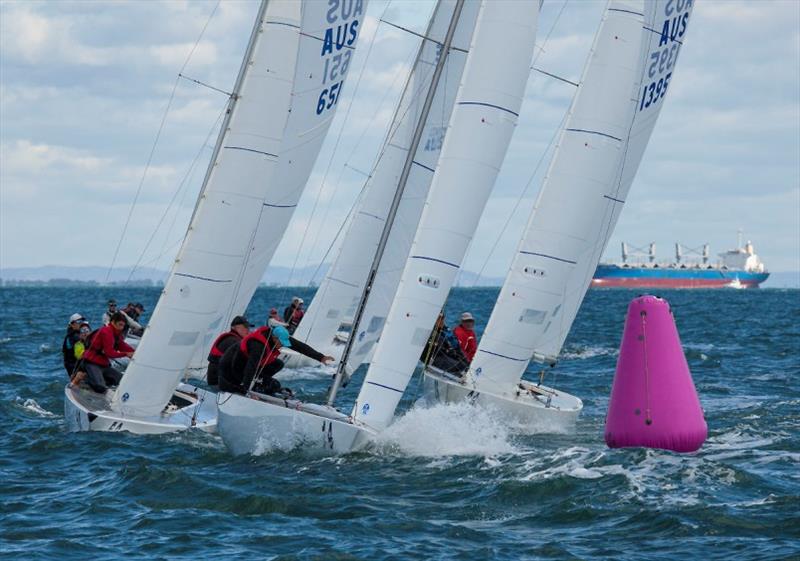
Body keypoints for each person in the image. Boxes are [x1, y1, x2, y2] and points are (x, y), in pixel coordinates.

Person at [218, 321, 334, 396]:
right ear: (274, 338)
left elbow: (300, 347)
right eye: (281, 343)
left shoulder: (279, 337)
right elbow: (250, 368)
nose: (282, 345)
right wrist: (248, 391)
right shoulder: (258, 346)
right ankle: (247, 387)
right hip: (232, 369)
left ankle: (257, 385)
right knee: (264, 384)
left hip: (248, 368)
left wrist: (321, 357)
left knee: (277, 367)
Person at [81, 312, 134, 394]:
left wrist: (135, 352)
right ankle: (84, 379)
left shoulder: (116, 334)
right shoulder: (106, 331)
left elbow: (123, 346)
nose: (122, 328)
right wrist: (126, 354)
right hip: (91, 363)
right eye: (120, 325)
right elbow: (109, 353)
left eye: (123, 326)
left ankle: (103, 381)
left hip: (103, 364)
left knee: (123, 382)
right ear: (113, 322)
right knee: (100, 387)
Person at [206, 316, 250, 387]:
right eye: (245, 327)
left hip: (214, 380)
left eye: (248, 327)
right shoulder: (233, 341)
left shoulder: (232, 339)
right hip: (218, 383)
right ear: (234, 327)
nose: (248, 330)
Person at [62, 313, 86, 377]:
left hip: (78, 364)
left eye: (82, 321)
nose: (81, 323)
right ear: (72, 324)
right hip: (73, 366)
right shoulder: (72, 336)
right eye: (78, 322)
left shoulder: (78, 334)